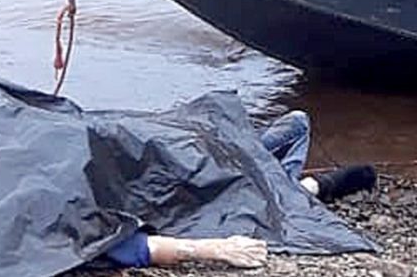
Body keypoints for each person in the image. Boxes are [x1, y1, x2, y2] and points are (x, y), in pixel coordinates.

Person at [101, 110, 377, 269]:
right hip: (197, 186)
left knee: (291, 128)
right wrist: (216, 249)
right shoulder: (74, 227)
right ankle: (302, 189)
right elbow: (135, 247)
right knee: (295, 129)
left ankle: (298, 189)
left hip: (186, 163)